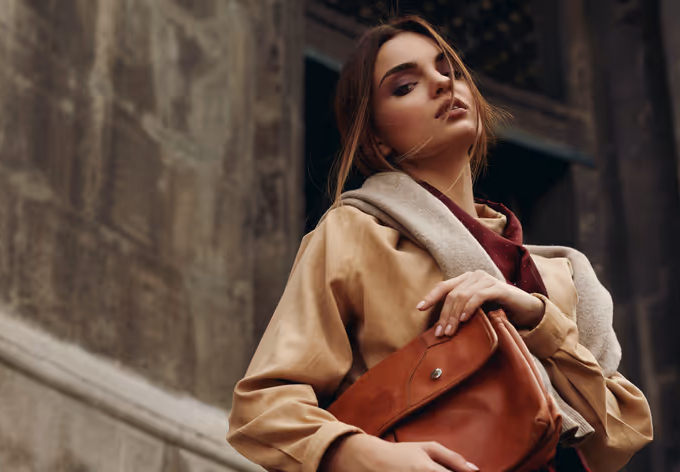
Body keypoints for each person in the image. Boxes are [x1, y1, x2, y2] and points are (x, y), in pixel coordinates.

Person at [227, 16, 653, 472]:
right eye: (405, 86)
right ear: (376, 138)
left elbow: (622, 432)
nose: (442, 83)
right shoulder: (354, 234)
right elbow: (262, 411)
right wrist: (375, 458)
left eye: (448, 70)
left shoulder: (562, 275)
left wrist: (535, 317)